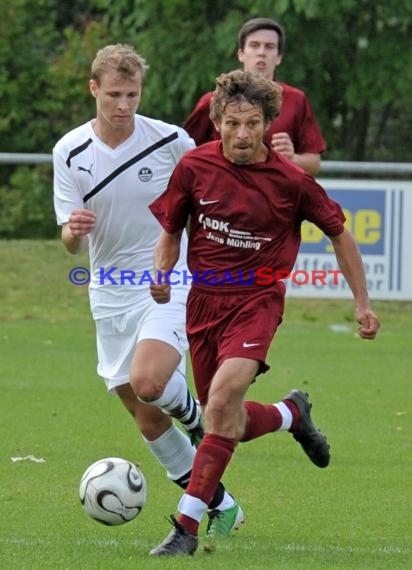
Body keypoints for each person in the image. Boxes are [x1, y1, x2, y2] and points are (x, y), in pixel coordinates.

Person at [148, 69, 381, 556]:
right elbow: (170, 228)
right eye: (231, 123)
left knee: (220, 402)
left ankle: (185, 529)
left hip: (257, 300)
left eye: (252, 123)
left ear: (267, 123)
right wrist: (162, 272)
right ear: (216, 121)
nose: (240, 134)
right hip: (203, 304)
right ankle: (290, 413)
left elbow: (340, 233)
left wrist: (362, 303)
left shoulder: (292, 181)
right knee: (224, 420)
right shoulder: (193, 167)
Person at [52, 44, 243, 537]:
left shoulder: (170, 140)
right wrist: (73, 228)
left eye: (132, 94)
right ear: (94, 89)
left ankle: (199, 416)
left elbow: (215, 184)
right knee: (146, 418)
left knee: (151, 383)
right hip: (108, 289)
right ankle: (222, 506)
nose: (123, 105)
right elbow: (70, 242)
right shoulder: (69, 151)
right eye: (113, 94)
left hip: (168, 277)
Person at [183, 17, 325, 176]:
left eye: (269, 47)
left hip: (276, 197)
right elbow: (184, 155)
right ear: (241, 53)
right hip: (224, 195)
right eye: (254, 45)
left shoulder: (296, 100)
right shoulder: (213, 100)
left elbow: (314, 165)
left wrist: (292, 158)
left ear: (278, 57)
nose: (261, 52)